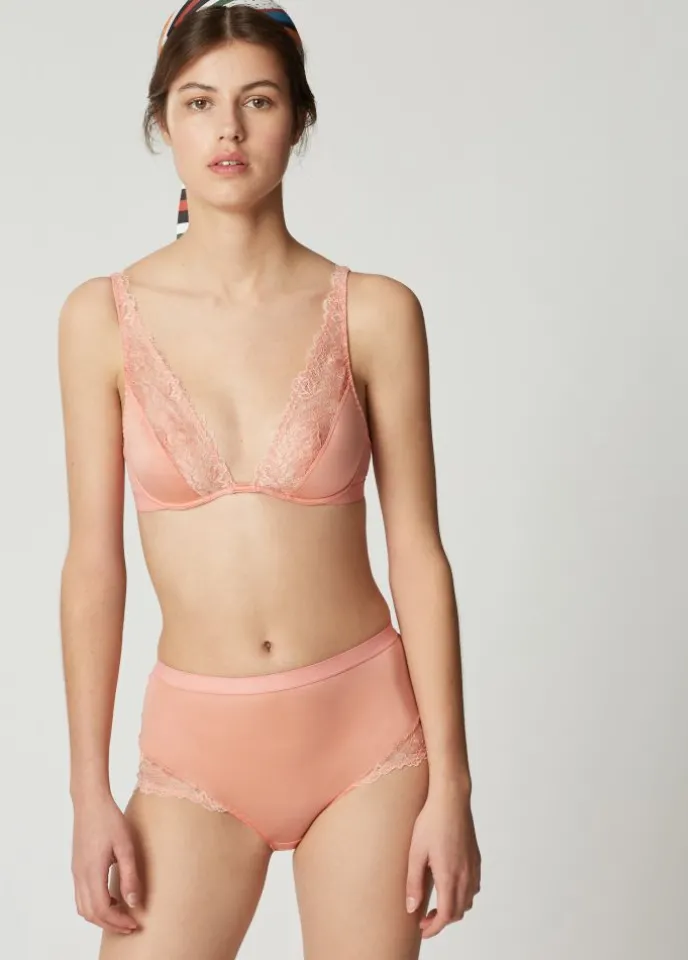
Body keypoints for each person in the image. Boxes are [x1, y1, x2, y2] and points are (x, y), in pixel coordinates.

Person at [58, 2, 481, 957]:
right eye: (199, 102)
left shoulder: (375, 313)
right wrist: (88, 792)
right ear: (164, 121)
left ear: (298, 119)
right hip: (195, 757)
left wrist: (452, 786)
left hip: (367, 746)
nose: (230, 129)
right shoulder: (99, 320)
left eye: (259, 100)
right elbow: (92, 567)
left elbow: (419, 554)